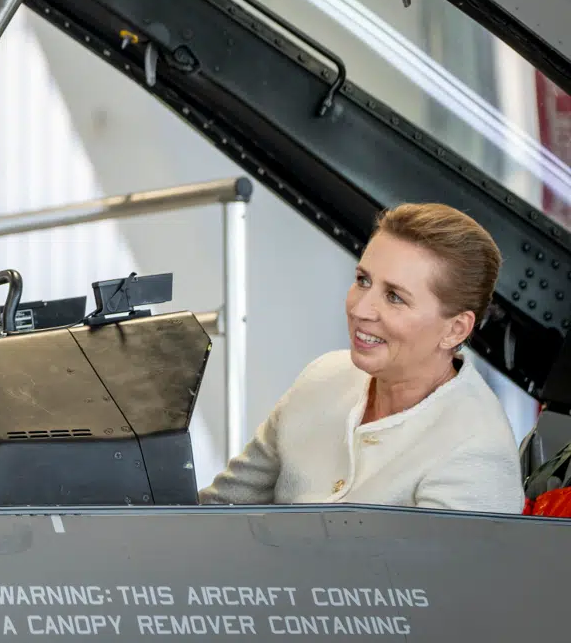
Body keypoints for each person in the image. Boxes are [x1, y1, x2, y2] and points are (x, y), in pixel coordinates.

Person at [199, 203, 524, 514]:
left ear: (455, 330)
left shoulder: (476, 452)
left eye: (394, 297)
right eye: (362, 281)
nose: (359, 309)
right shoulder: (323, 378)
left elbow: (434, 573)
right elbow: (214, 512)